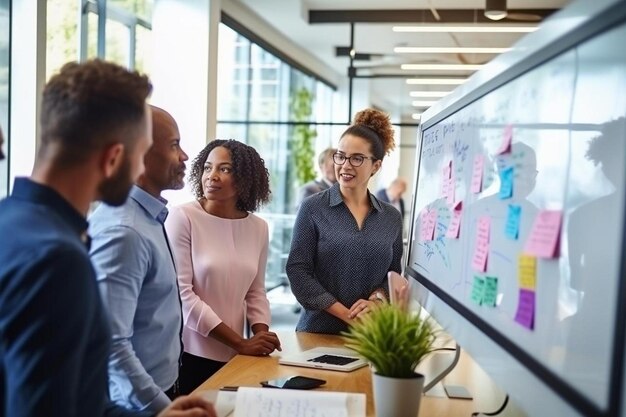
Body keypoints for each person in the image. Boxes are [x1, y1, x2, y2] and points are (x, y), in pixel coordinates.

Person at [0, 60, 215, 417]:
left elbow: (72, 395)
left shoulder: (11, 218)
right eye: (139, 152)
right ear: (115, 157)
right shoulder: (58, 257)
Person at [89, 106, 189, 413]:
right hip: (136, 405)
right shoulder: (125, 231)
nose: (184, 156)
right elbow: (111, 345)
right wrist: (161, 409)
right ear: (140, 156)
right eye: (174, 145)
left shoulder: (148, 218)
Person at [165, 139, 282, 394]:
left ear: (244, 179)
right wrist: (240, 341)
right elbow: (183, 294)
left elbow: (256, 292)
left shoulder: (258, 227)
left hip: (238, 355)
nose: (212, 176)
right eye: (207, 167)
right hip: (189, 352)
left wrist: (259, 337)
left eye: (224, 169)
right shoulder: (182, 217)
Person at [286, 108, 404, 334]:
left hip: (371, 337)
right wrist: (347, 315)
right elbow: (298, 271)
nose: (345, 165)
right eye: (340, 156)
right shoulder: (313, 207)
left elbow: (392, 274)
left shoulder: (390, 217)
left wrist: (377, 301)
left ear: (376, 166)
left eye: (357, 158)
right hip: (317, 333)